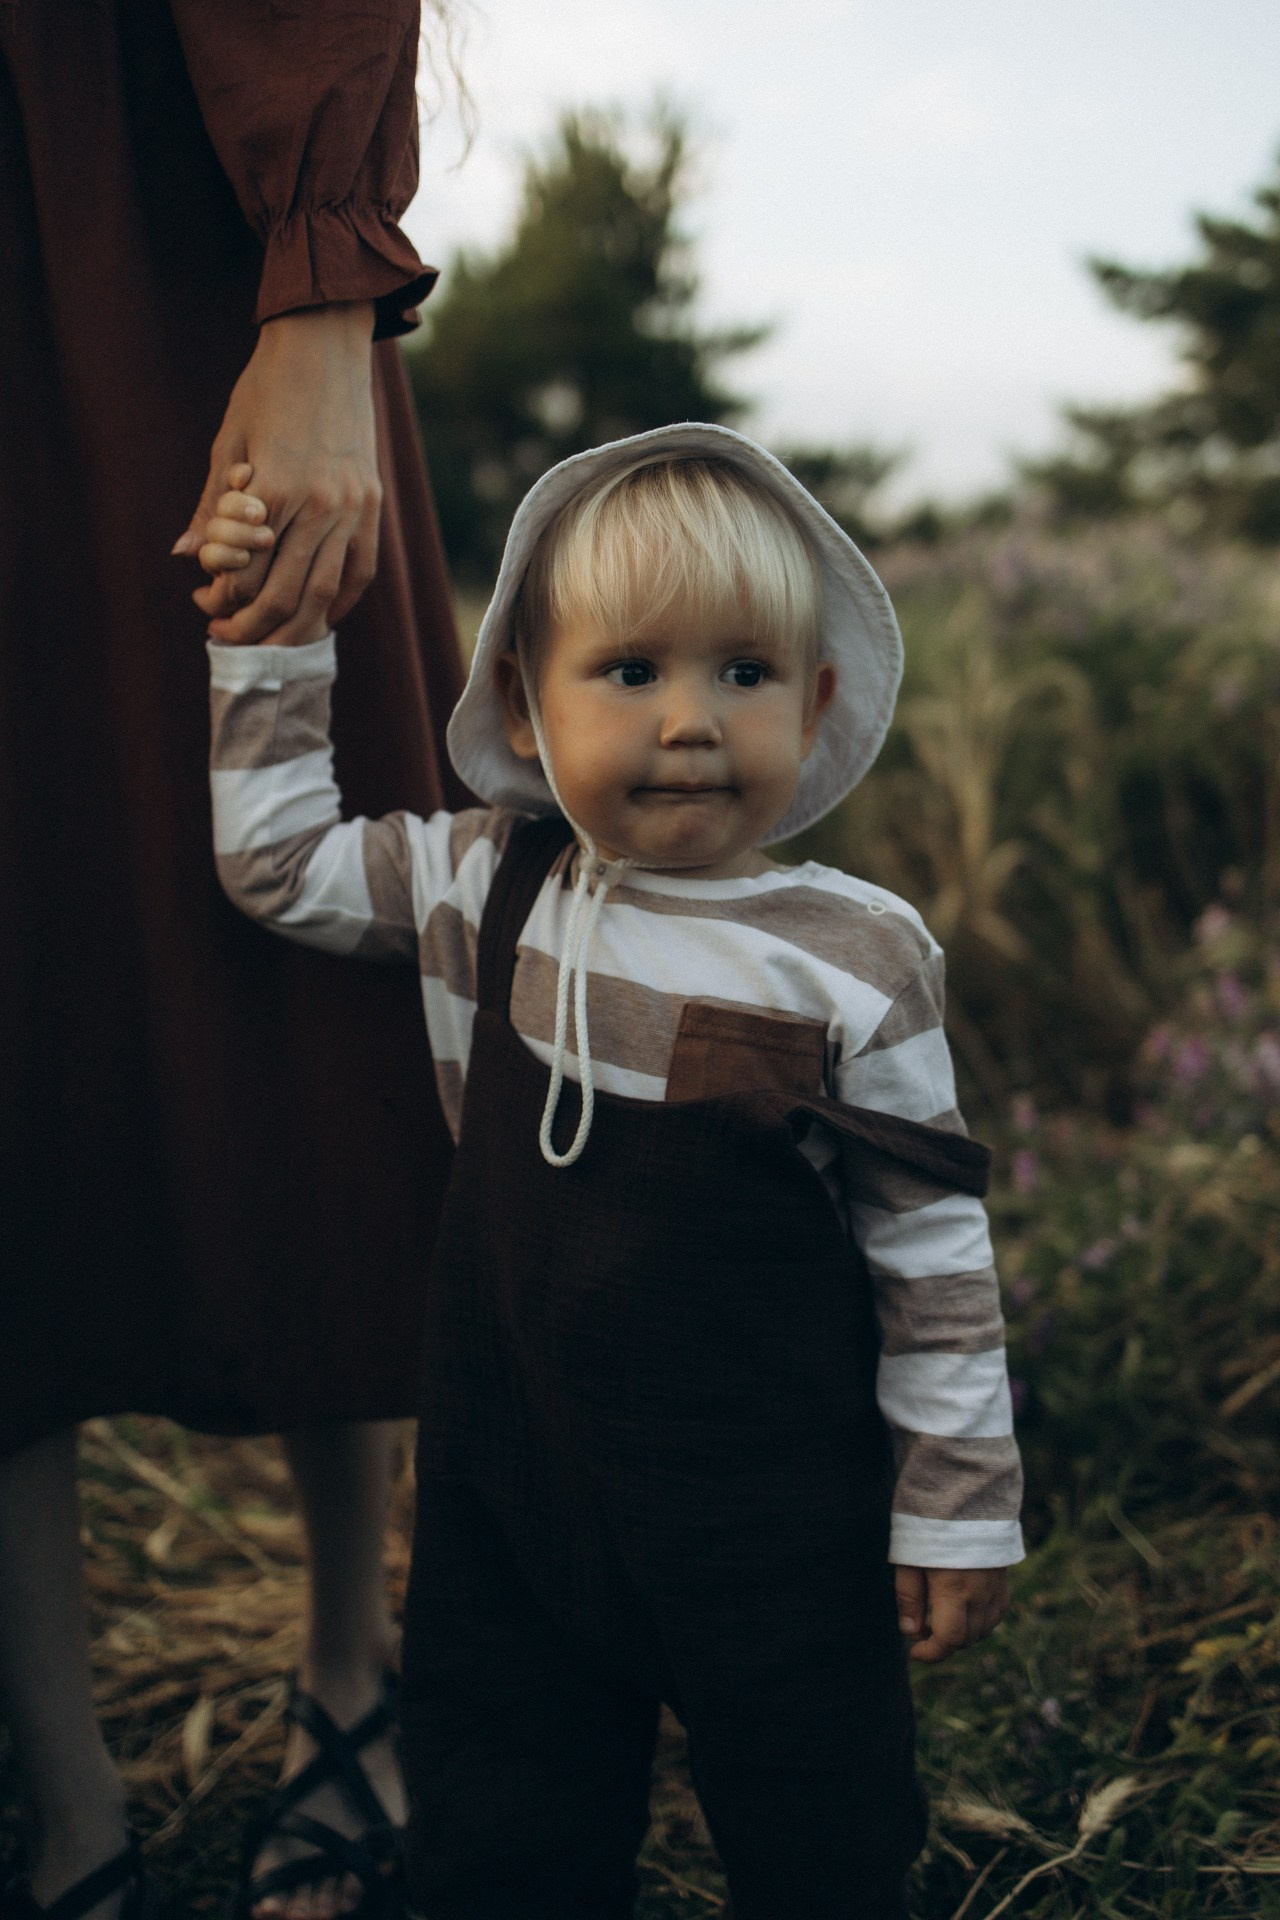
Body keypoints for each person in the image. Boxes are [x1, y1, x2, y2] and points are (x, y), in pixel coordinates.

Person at [201, 424, 1025, 1920]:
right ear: (525, 707)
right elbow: (276, 868)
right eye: (631, 671)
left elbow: (931, 1254)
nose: (691, 722)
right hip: (513, 1486)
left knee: (821, 1822)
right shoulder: (482, 880)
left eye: (745, 673)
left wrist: (957, 1502)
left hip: (774, 1517)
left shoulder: (855, 955)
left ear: (815, 701)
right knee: (503, 1814)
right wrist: (275, 634)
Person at [0, 8, 470, 1920]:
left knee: (302, 980)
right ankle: (62, 1786)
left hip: (161, 274)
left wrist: (321, 310)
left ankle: (354, 1668)